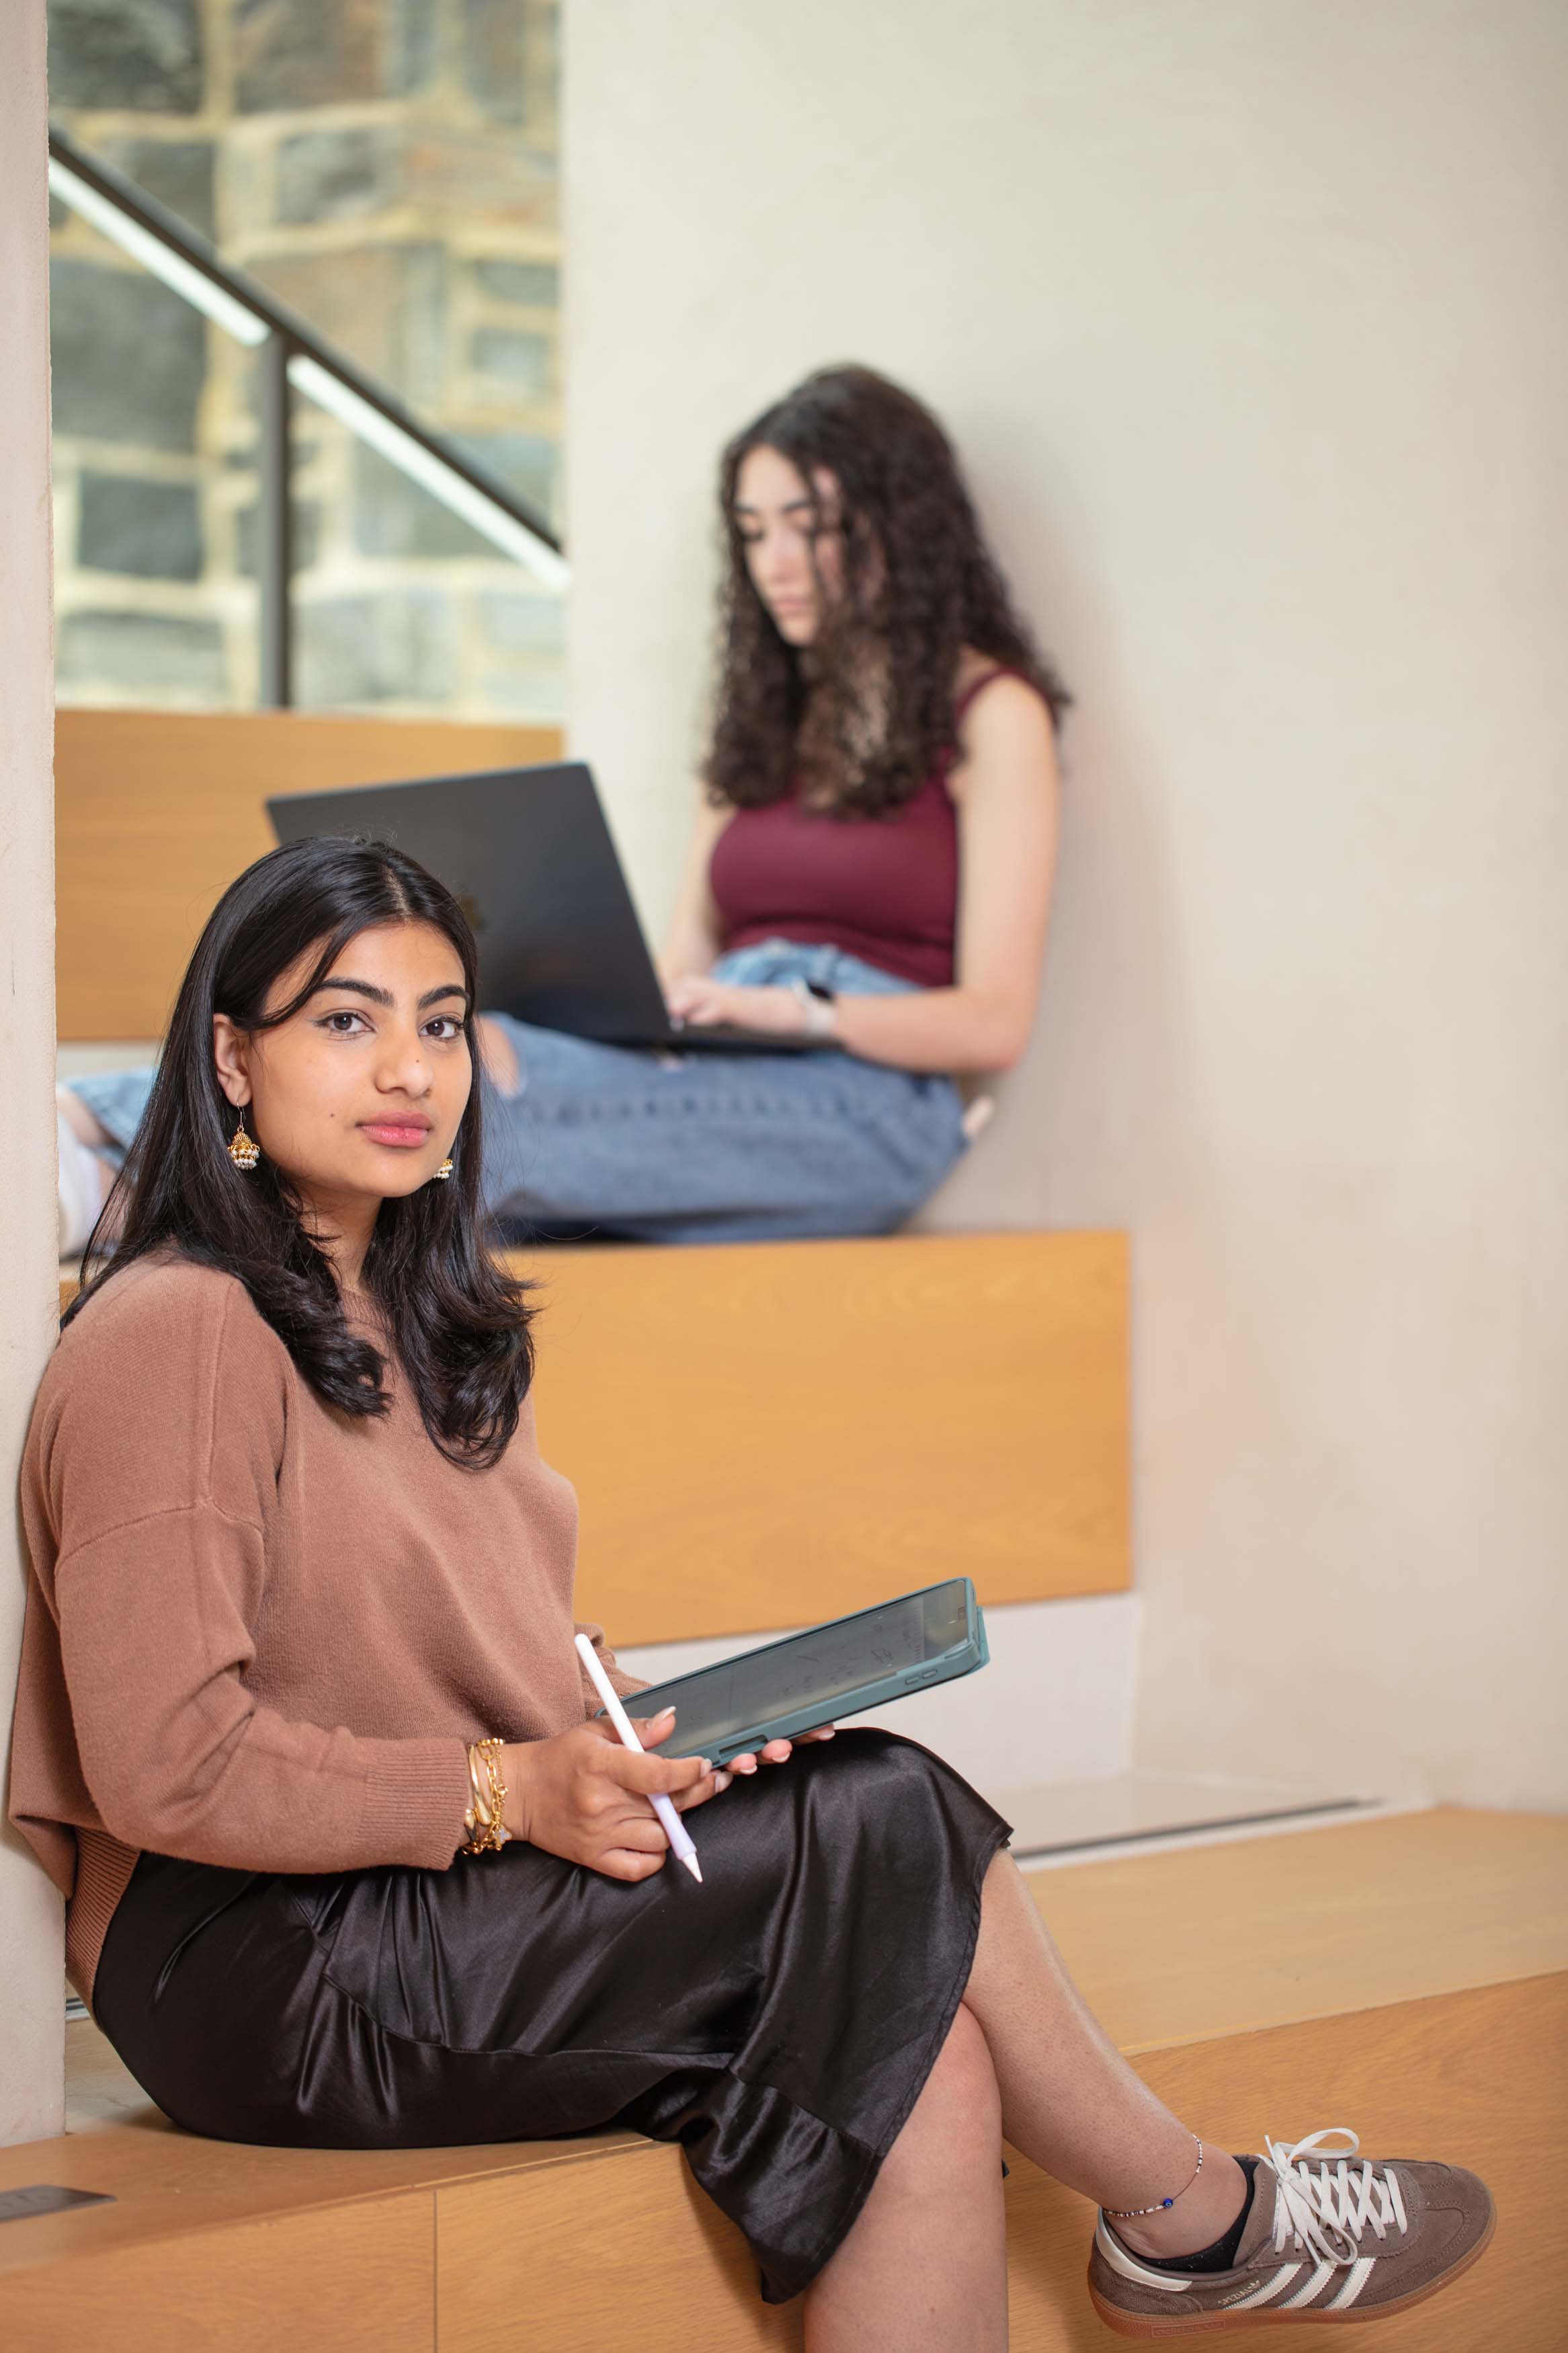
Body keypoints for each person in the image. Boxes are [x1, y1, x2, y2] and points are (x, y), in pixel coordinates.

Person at [16, 836, 1492, 2346]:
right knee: (890, 1811)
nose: (409, 1067)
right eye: (346, 1019)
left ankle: (1183, 2226)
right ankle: (1194, 2216)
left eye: (443, 1021)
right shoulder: (180, 1331)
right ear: (229, 1059)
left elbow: (484, 1640)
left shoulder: (420, 1312)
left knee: (918, 2047)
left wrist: (643, 1741)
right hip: (260, 1971)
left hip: (432, 1898)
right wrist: (512, 1791)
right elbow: (164, 1759)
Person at [58, 363, 1067, 1252]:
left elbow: (994, 1025)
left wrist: (794, 1009)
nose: (777, 566)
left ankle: (79, 1156)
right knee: (462, 1068)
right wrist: (615, 1007)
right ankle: (88, 1171)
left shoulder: (990, 711)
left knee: (475, 1100)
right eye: (754, 533)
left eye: (811, 527)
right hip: (717, 1054)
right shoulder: (768, 719)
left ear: (902, 524)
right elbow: (685, 961)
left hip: (872, 1107)